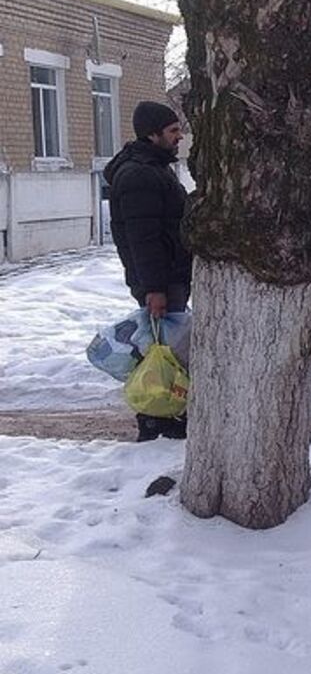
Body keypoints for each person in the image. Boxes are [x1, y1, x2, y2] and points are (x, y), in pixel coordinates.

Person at [105, 100, 192, 442]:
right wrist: (154, 289)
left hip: (167, 276)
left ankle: (167, 412)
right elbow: (143, 240)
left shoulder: (154, 168)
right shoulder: (139, 175)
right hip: (160, 280)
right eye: (173, 131)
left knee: (166, 349)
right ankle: (157, 419)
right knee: (161, 353)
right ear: (152, 134)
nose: (179, 136)